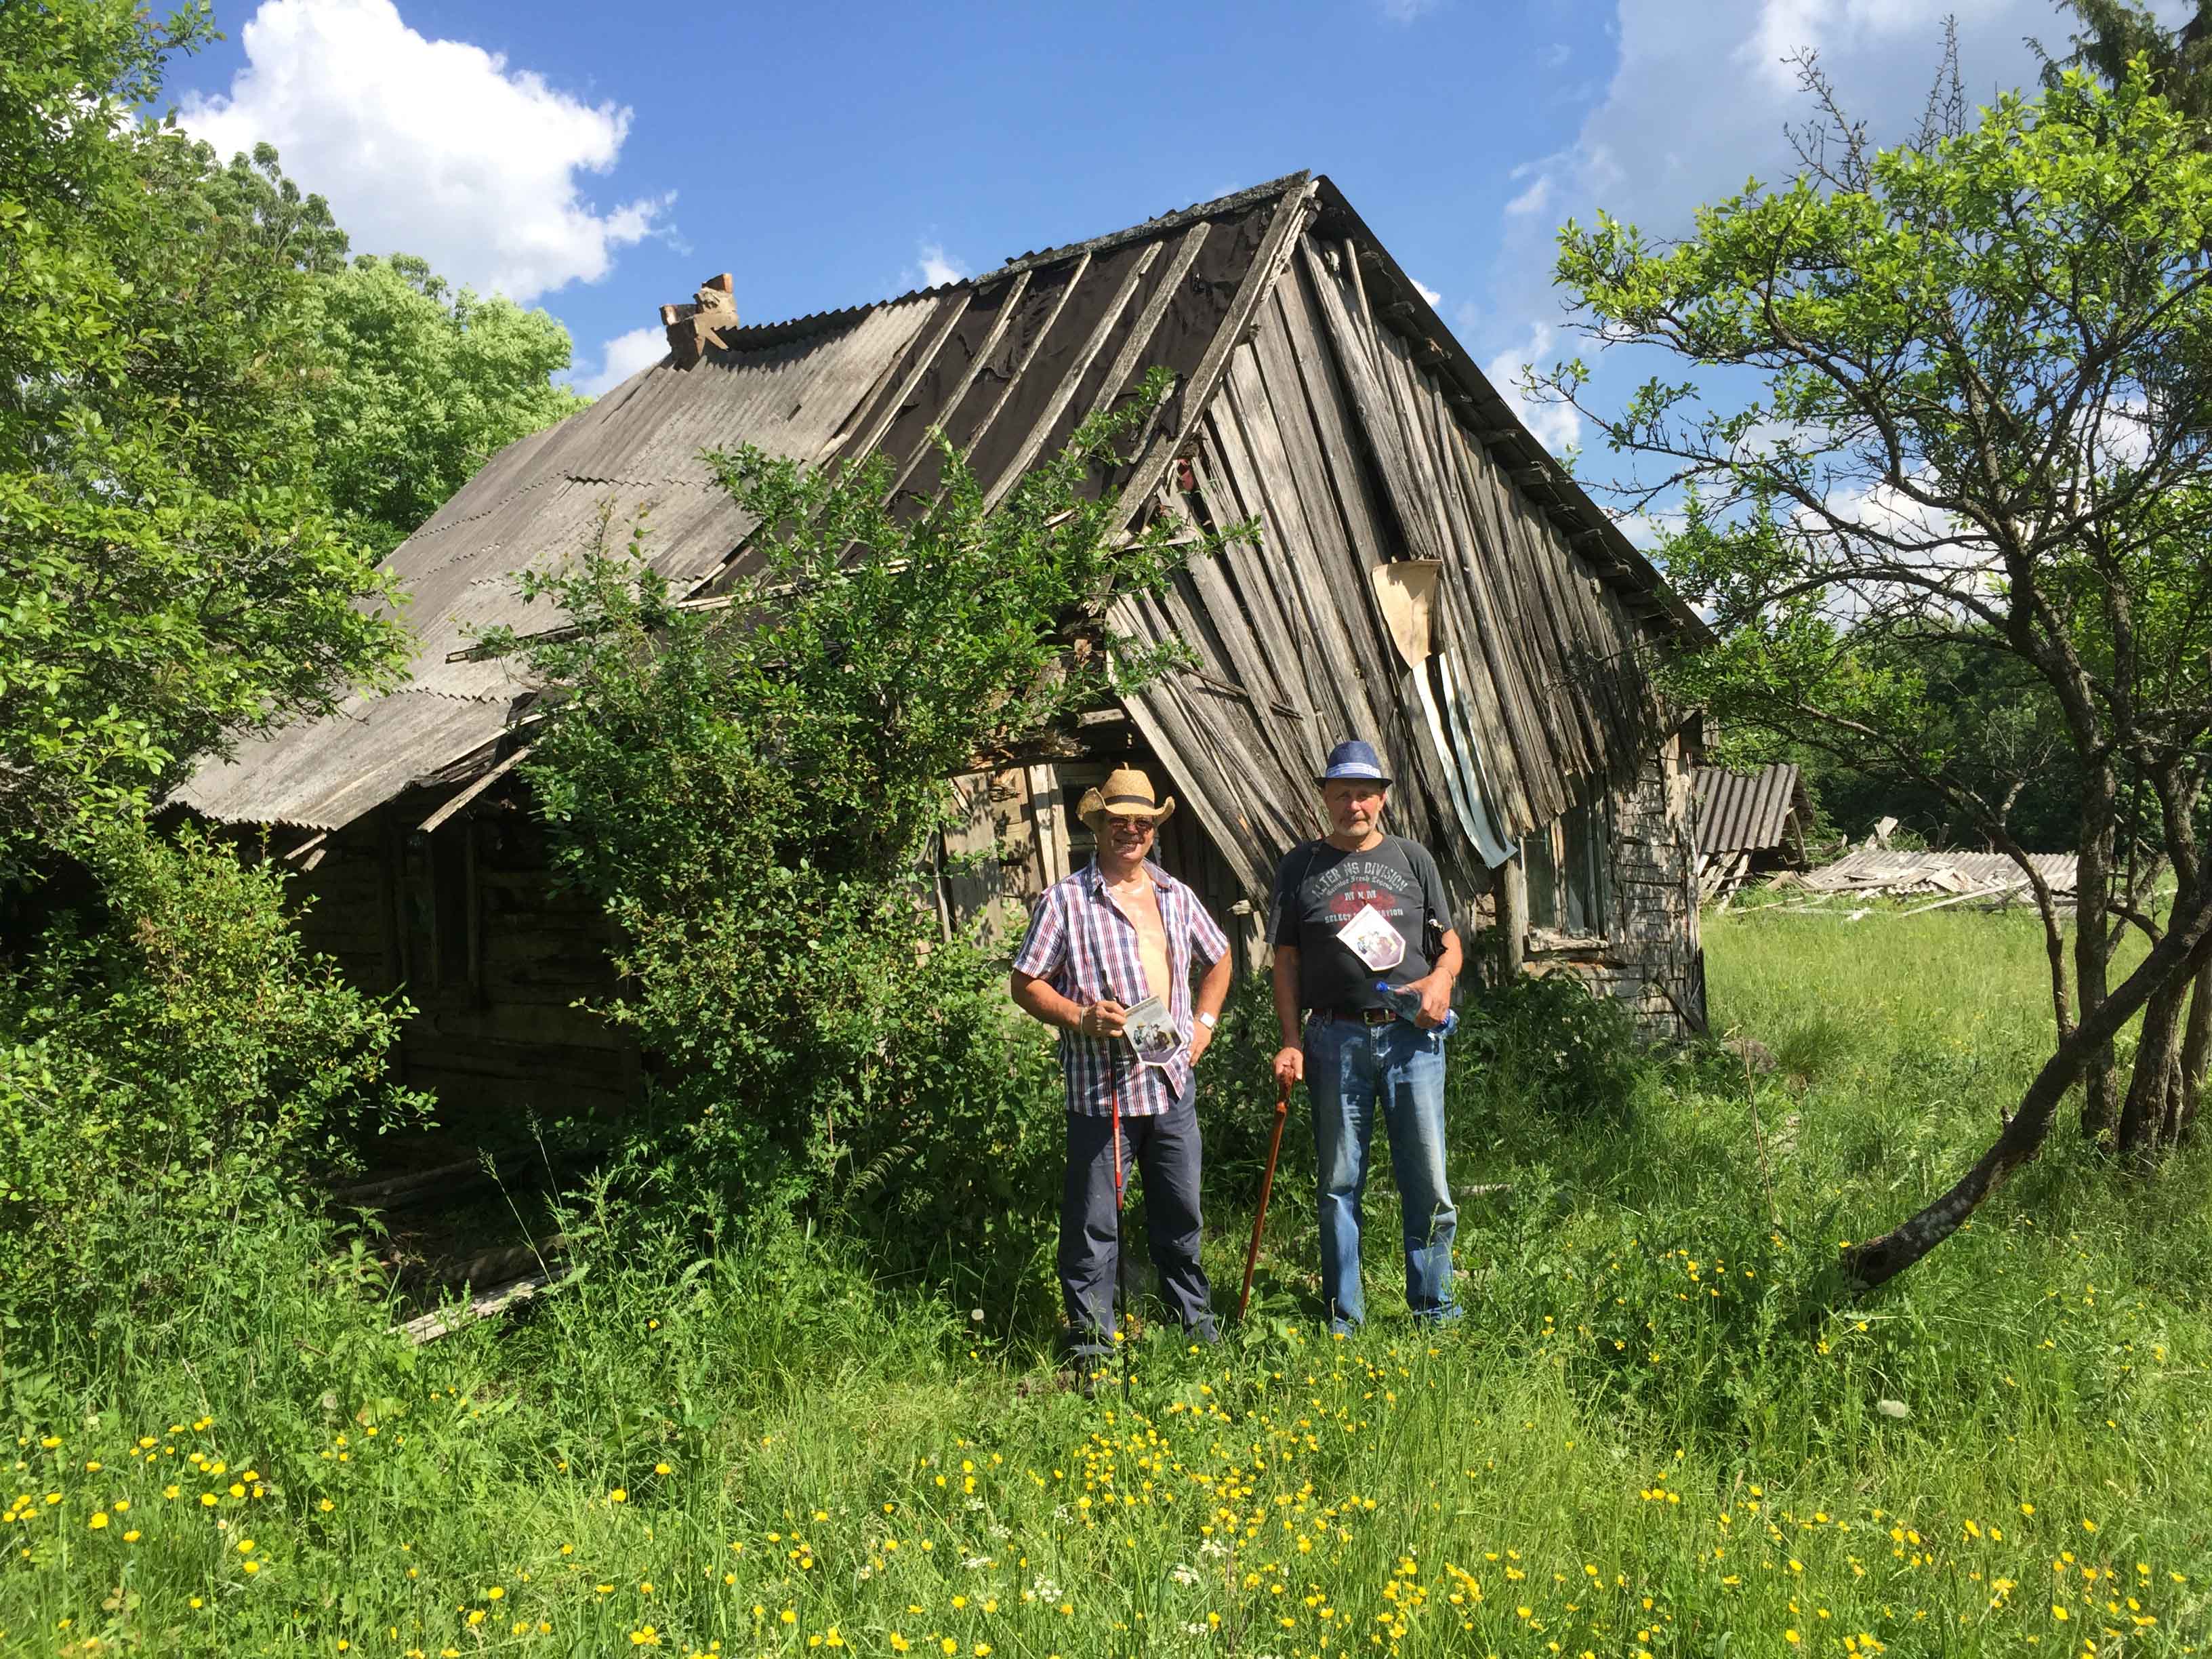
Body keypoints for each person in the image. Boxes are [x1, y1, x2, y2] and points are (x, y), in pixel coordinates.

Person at [1010, 767, 1233, 1373]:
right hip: (1101, 1091)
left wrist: (1204, 1027)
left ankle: (1196, 1328)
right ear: (1098, 826)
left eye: (1141, 822)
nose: (1130, 831)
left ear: (1153, 830)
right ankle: (1091, 1348)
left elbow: (1220, 958)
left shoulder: (1175, 896)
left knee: (1181, 1215)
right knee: (1093, 1229)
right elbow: (1025, 984)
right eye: (1118, 821)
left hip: (1171, 1087)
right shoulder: (1064, 901)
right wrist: (1081, 1017)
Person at [1270, 739, 1464, 1334]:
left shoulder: (1414, 860)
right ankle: (1343, 1319)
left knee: (1427, 1179)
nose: (1354, 804)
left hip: (1413, 1042)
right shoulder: (1299, 866)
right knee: (1338, 1183)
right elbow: (1284, 962)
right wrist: (1291, 1039)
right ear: (1326, 798)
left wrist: (1440, 980)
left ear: (1383, 798)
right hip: (1333, 1040)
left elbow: (1450, 945)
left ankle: (1435, 1312)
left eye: (1364, 793)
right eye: (1342, 794)